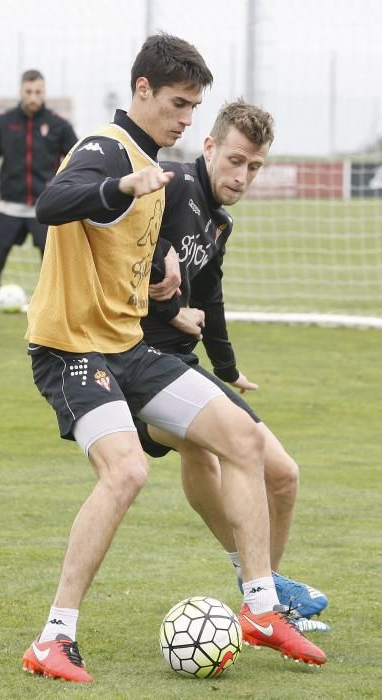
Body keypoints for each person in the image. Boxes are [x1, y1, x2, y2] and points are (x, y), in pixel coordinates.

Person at [22, 34, 326, 684]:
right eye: (179, 102)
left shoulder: (158, 169)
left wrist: (158, 277)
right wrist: (120, 185)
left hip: (129, 349)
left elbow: (131, 252)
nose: (188, 117)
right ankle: (53, 637)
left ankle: (260, 607)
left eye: (194, 105)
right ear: (142, 91)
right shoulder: (108, 148)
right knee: (126, 472)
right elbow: (51, 206)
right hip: (69, 349)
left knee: (242, 439)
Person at [136, 98, 330, 632]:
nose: (243, 176)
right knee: (204, 448)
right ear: (209, 147)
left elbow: (212, 297)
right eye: (236, 160)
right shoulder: (171, 186)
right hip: (136, 366)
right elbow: (116, 258)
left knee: (284, 477)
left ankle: (264, 590)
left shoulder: (218, 223)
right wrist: (171, 308)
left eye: (255, 167)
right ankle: (260, 594)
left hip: (182, 364)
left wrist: (227, 366)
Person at [0, 69, 78, 346]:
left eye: (38, 92)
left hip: (43, 212)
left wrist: (67, 194)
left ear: (44, 93)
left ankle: (58, 331)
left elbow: (76, 159)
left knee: (53, 271)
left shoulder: (59, 125)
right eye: (29, 92)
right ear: (21, 91)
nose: (33, 97)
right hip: (9, 210)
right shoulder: (3, 123)